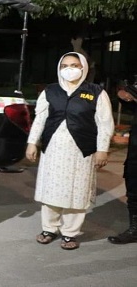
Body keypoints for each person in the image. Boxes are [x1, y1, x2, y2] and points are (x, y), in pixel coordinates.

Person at [25, 52, 114, 250]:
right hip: (53, 149)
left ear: (83, 67)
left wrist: (102, 150)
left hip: (81, 150)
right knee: (51, 190)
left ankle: (70, 233)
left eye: (74, 65)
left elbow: (105, 123)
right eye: (64, 66)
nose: (69, 69)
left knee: (76, 192)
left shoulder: (96, 92)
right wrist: (32, 142)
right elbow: (40, 119)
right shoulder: (50, 91)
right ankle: (49, 228)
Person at [108, 83, 137, 244]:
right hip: (135, 154)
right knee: (133, 192)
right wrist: (125, 94)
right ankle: (135, 229)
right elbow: (124, 97)